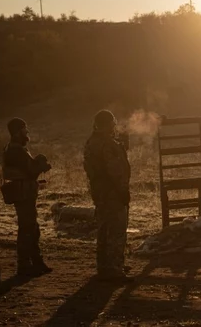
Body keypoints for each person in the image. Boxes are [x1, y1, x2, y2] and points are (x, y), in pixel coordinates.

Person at [83, 110, 132, 281]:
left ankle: (104, 266)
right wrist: (123, 191)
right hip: (113, 192)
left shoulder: (91, 142)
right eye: (112, 124)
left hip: (100, 192)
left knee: (104, 229)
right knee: (117, 230)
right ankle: (115, 269)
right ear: (109, 124)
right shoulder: (108, 144)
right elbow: (116, 170)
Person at [1, 117, 53, 277]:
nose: (27, 131)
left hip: (24, 192)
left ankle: (35, 262)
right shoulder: (16, 151)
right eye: (24, 129)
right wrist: (40, 164)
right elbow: (30, 170)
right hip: (23, 194)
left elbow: (26, 171)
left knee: (31, 228)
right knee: (28, 229)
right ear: (17, 132)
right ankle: (25, 265)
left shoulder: (14, 149)